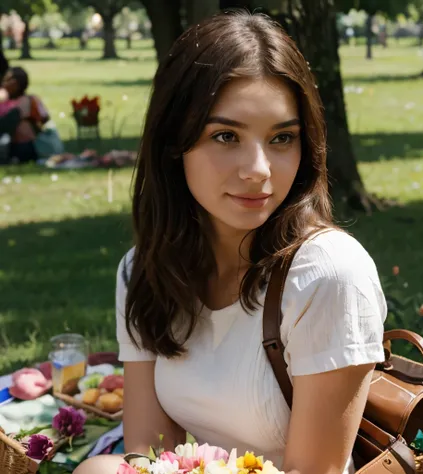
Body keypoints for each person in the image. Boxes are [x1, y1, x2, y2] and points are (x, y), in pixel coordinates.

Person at [73, 11, 386, 474]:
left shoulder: (327, 273)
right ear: (173, 143)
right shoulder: (144, 269)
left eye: (282, 137)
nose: (259, 168)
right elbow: (147, 452)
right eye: (226, 135)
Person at [0, 66, 50, 163]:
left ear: (16, 83)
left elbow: (45, 118)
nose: (4, 83)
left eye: (7, 80)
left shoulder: (26, 101)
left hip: (24, 146)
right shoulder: (6, 100)